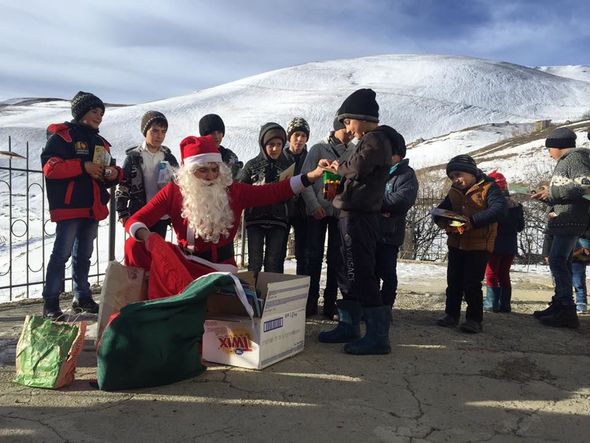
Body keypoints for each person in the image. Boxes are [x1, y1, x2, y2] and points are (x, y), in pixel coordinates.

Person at [125, 134, 324, 298]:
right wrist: (149, 237)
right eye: (202, 170)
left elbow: (273, 192)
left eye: (214, 169)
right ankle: (140, 299)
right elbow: (135, 221)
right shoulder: (174, 192)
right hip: (185, 264)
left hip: (220, 268)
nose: (211, 176)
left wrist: (310, 177)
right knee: (134, 245)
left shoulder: (233, 191)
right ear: (189, 173)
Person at [317, 88, 397, 355]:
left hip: (360, 217)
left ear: (361, 118)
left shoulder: (376, 140)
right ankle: (349, 325)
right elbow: (352, 169)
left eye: (348, 121)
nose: (347, 127)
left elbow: (357, 169)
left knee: (361, 272)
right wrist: (337, 169)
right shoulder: (369, 141)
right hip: (349, 214)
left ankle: (377, 336)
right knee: (345, 270)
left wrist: (337, 169)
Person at [40, 91, 122, 320]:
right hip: (69, 207)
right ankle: (51, 302)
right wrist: (82, 166)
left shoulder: (101, 142)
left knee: (84, 255)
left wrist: (113, 173)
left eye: (101, 113)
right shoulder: (62, 137)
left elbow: (111, 172)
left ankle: (82, 297)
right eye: (95, 111)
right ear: (81, 111)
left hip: (91, 207)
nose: (99, 116)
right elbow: (50, 168)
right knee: (61, 254)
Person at [433, 154, 506, 333]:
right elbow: (440, 211)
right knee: (454, 281)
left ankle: (474, 319)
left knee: (472, 283)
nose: (455, 180)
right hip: (456, 243)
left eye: (458, 175)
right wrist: (444, 221)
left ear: (471, 172)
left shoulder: (489, 188)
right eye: (452, 177)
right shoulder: (454, 191)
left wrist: (472, 221)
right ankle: (451, 314)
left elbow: (499, 210)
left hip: (479, 245)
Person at [531, 127, 590, 328]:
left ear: (557, 146)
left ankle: (566, 308)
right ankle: (560, 304)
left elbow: (585, 186)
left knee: (557, 260)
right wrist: (548, 196)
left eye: (549, 149)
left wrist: (553, 192)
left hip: (571, 219)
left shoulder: (575, 158)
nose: (549, 154)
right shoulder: (567, 161)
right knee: (561, 261)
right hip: (565, 218)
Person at [300, 117, 354, 318]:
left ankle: (331, 303)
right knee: (312, 256)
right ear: (337, 129)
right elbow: (305, 179)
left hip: (339, 213)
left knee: (336, 257)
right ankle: (310, 302)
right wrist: (313, 206)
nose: (349, 133)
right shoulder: (318, 149)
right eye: (345, 130)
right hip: (317, 212)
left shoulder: (353, 151)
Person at [238, 123, 293, 277]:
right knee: (254, 261)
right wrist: (258, 188)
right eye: (271, 145)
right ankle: (252, 297)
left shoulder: (287, 165)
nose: (275, 149)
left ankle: (270, 298)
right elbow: (241, 190)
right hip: (255, 219)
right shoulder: (252, 165)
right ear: (263, 144)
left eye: (279, 144)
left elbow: (293, 191)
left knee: (274, 261)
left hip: (279, 220)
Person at [116, 111, 179, 238]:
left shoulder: (169, 157)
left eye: (163, 131)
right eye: (155, 130)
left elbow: (179, 185)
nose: (159, 135)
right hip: (139, 213)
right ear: (145, 131)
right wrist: (122, 212)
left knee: (156, 251)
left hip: (162, 215)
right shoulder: (133, 157)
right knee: (139, 251)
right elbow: (124, 186)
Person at [377, 131, 418, 313]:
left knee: (388, 274)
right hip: (371, 230)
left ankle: (385, 308)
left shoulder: (406, 175)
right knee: (370, 272)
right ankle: (371, 308)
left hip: (389, 233)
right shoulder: (377, 171)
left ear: (398, 155)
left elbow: (402, 200)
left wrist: (373, 202)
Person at [483, 171, 525, 313]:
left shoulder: (493, 204)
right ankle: (505, 304)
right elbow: (520, 227)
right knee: (504, 273)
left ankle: (491, 303)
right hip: (510, 245)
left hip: (494, 244)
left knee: (491, 273)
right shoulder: (516, 205)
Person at [283, 117, 311, 278]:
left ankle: (302, 293)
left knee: (303, 255)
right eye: (296, 135)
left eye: (303, 136)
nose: (299, 140)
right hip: (283, 211)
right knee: (278, 254)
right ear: (289, 137)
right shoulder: (281, 157)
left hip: (304, 211)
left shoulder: (310, 157)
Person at [199, 113, 242, 178]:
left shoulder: (230, 156)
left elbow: (237, 181)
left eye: (219, 132)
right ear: (204, 135)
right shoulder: (197, 157)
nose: (216, 136)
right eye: (212, 133)